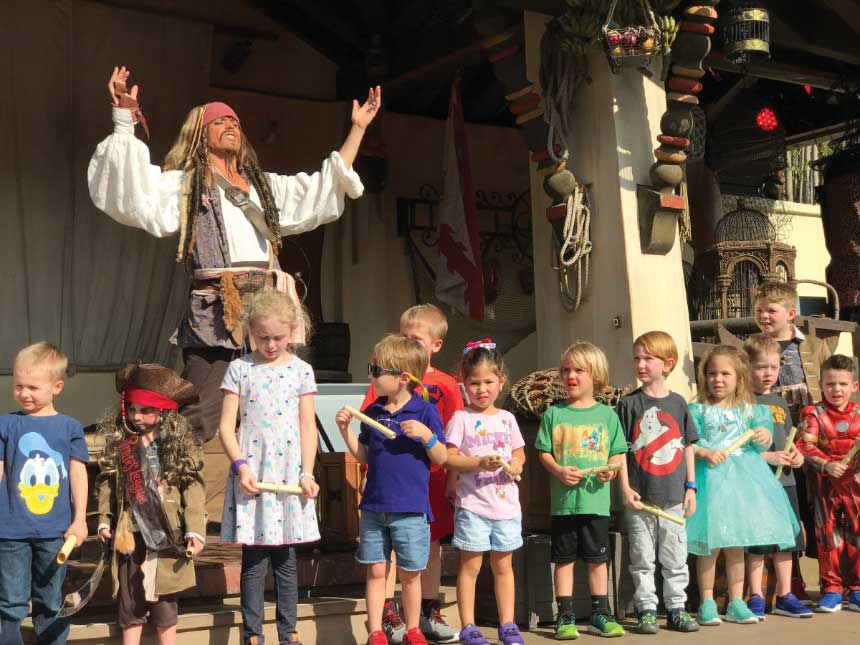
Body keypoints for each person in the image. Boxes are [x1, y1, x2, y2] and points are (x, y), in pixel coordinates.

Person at [88, 66, 381, 444]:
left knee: (274, 407)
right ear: (200, 135)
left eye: (234, 121)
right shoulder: (186, 185)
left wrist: (357, 129)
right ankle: (185, 494)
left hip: (267, 308)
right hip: (214, 310)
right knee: (201, 413)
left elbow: (324, 186)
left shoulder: (264, 187)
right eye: (219, 120)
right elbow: (131, 191)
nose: (230, 124)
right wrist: (124, 120)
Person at [219, 291, 321, 645]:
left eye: (278, 337)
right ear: (250, 332)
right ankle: (252, 634)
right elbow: (226, 427)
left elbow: (308, 427)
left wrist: (307, 472)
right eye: (263, 337)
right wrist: (241, 466)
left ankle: (288, 633)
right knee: (254, 559)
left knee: (286, 558)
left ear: (292, 331)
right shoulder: (240, 369)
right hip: (254, 474)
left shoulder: (302, 371)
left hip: (289, 474)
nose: (271, 344)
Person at [359, 304, 463, 644]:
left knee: (427, 547)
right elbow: (368, 431)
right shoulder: (381, 384)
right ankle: (387, 614)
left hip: (428, 479)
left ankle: (426, 611)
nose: (406, 344)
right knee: (385, 551)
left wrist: (452, 477)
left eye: (414, 339)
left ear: (435, 345)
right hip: (387, 485)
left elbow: (453, 437)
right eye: (402, 336)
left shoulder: (445, 386)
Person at [336, 335, 448, 645]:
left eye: (375, 370)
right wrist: (345, 431)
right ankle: (375, 631)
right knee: (375, 572)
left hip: (411, 509)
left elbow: (442, 458)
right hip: (374, 507)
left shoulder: (425, 412)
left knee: (410, 574)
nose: (370, 375)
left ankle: (413, 628)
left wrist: (427, 437)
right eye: (370, 368)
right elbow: (363, 457)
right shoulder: (372, 412)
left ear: (402, 378)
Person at [685, 345, 800, 627]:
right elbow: (688, 443)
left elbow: (762, 440)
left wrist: (762, 433)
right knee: (709, 546)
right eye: (712, 373)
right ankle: (708, 601)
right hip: (710, 480)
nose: (718, 379)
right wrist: (705, 452)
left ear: (739, 377)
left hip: (741, 483)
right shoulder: (697, 410)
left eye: (725, 373)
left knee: (736, 545)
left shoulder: (752, 411)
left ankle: (737, 600)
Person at [96, 362, 205, 645]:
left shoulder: (179, 449)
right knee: (129, 599)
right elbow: (107, 485)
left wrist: (195, 530)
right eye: (132, 409)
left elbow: (192, 491)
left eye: (145, 410)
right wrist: (104, 519)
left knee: (165, 602)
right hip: (128, 534)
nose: (136, 416)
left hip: (166, 533)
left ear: (164, 412)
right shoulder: (121, 446)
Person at [535, 342, 627, 639]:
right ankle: (565, 616)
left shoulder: (608, 416)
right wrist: (559, 470)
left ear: (596, 376)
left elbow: (618, 454)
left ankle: (601, 614)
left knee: (598, 561)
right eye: (565, 370)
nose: (570, 376)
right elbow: (544, 453)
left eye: (578, 370)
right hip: (564, 506)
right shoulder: (554, 414)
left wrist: (610, 469)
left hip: (596, 504)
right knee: (563, 561)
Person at [0, 343, 88, 645]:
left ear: (57, 386)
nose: (24, 393)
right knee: (10, 604)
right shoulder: (6, 424)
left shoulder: (70, 428)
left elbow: (78, 474)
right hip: (10, 531)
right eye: (18, 386)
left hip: (55, 532)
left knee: (50, 602)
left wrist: (80, 520)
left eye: (33, 387)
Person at [616, 331, 699, 634]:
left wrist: (691, 487)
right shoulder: (627, 404)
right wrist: (625, 488)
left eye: (648, 358)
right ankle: (646, 609)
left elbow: (687, 445)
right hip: (640, 497)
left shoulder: (678, 403)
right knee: (641, 557)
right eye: (637, 358)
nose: (640, 364)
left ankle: (676, 607)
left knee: (675, 557)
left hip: (674, 496)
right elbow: (620, 452)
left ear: (668, 363)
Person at [754, 281, 832, 603]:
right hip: (775, 439)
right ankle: (792, 578)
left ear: (790, 313)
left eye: (770, 311)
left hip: (812, 439)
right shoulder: (754, 348)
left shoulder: (813, 346)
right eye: (759, 311)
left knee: (816, 507)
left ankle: (831, 577)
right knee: (786, 503)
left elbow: (830, 386)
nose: (764, 316)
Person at [444, 340, 525, 645]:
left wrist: (515, 465)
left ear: (501, 382)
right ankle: (468, 625)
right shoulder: (460, 419)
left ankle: (508, 624)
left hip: (506, 507)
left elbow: (520, 453)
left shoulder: (507, 418)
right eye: (474, 382)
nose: (482, 389)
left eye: (489, 382)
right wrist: (476, 462)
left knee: (504, 566)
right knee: (471, 565)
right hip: (473, 505)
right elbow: (449, 457)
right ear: (463, 383)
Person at [742, 335, 812, 619]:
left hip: (785, 481)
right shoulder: (742, 403)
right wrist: (766, 458)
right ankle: (756, 595)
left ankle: (785, 595)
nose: (769, 373)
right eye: (761, 367)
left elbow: (788, 439)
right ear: (746, 368)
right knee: (758, 542)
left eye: (773, 367)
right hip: (756, 482)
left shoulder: (780, 402)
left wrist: (797, 455)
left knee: (786, 541)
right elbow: (737, 449)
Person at [795, 354, 860, 614]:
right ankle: (832, 589)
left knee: (857, 535)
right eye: (831, 384)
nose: (837, 389)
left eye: (843, 384)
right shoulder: (813, 413)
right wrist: (826, 465)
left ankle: (856, 589)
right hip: (825, 487)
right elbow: (805, 444)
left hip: (856, 488)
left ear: (854, 386)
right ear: (820, 385)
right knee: (828, 536)